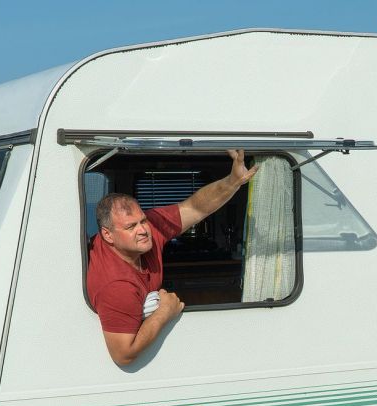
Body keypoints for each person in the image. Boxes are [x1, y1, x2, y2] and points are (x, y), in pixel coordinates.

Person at [87, 149, 258, 366]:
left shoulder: (147, 231)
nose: (143, 230)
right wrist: (164, 312)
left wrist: (233, 182)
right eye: (131, 227)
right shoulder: (116, 285)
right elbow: (123, 355)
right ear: (108, 235)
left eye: (143, 221)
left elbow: (195, 208)